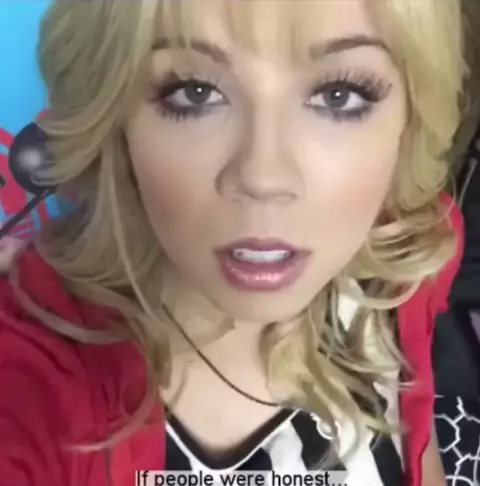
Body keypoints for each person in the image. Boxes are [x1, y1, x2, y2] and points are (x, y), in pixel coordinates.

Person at [0, 1, 467, 485]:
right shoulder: (33, 391)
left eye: (338, 95)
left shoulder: (405, 260)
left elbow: (417, 446)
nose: (263, 177)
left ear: (410, 118)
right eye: (195, 92)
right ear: (117, 121)